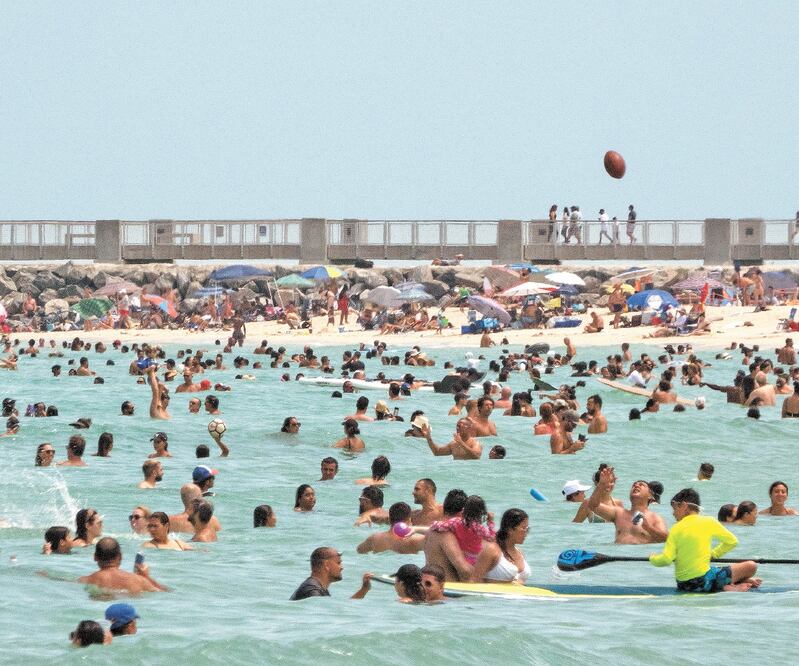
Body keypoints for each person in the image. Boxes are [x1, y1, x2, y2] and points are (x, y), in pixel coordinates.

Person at [649, 488, 760, 592]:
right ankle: (727, 586)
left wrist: (653, 558)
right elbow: (732, 541)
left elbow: (666, 559)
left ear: (684, 506)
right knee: (751, 565)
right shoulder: (709, 521)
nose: (673, 513)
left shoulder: (675, 528)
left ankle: (730, 584)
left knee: (712, 570)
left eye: (675, 509)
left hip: (684, 585)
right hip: (704, 582)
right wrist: (713, 554)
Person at [586, 467, 668, 544]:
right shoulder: (618, 513)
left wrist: (649, 528)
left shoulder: (655, 518)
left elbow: (667, 539)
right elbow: (593, 505)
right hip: (617, 552)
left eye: (641, 485)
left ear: (650, 496)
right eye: (634, 485)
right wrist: (601, 484)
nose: (636, 485)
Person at [78, 537, 167, 592]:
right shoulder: (138, 581)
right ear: (120, 557)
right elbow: (164, 592)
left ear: (95, 557)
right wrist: (146, 577)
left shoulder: (85, 580)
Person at [471, 508, 530, 584]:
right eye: (524, 528)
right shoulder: (492, 550)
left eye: (528, 529)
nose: (526, 533)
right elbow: (474, 580)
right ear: (510, 529)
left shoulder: (520, 552)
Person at [289, 546, 370, 600]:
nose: (342, 567)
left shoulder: (317, 588)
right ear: (326, 565)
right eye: (338, 563)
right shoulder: (311, 590)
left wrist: (364, 589)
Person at [356, 502, 425, 554]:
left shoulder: (374, 538)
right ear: (409, 520)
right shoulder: (415, 539)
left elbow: (359, 550)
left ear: (389, 520)